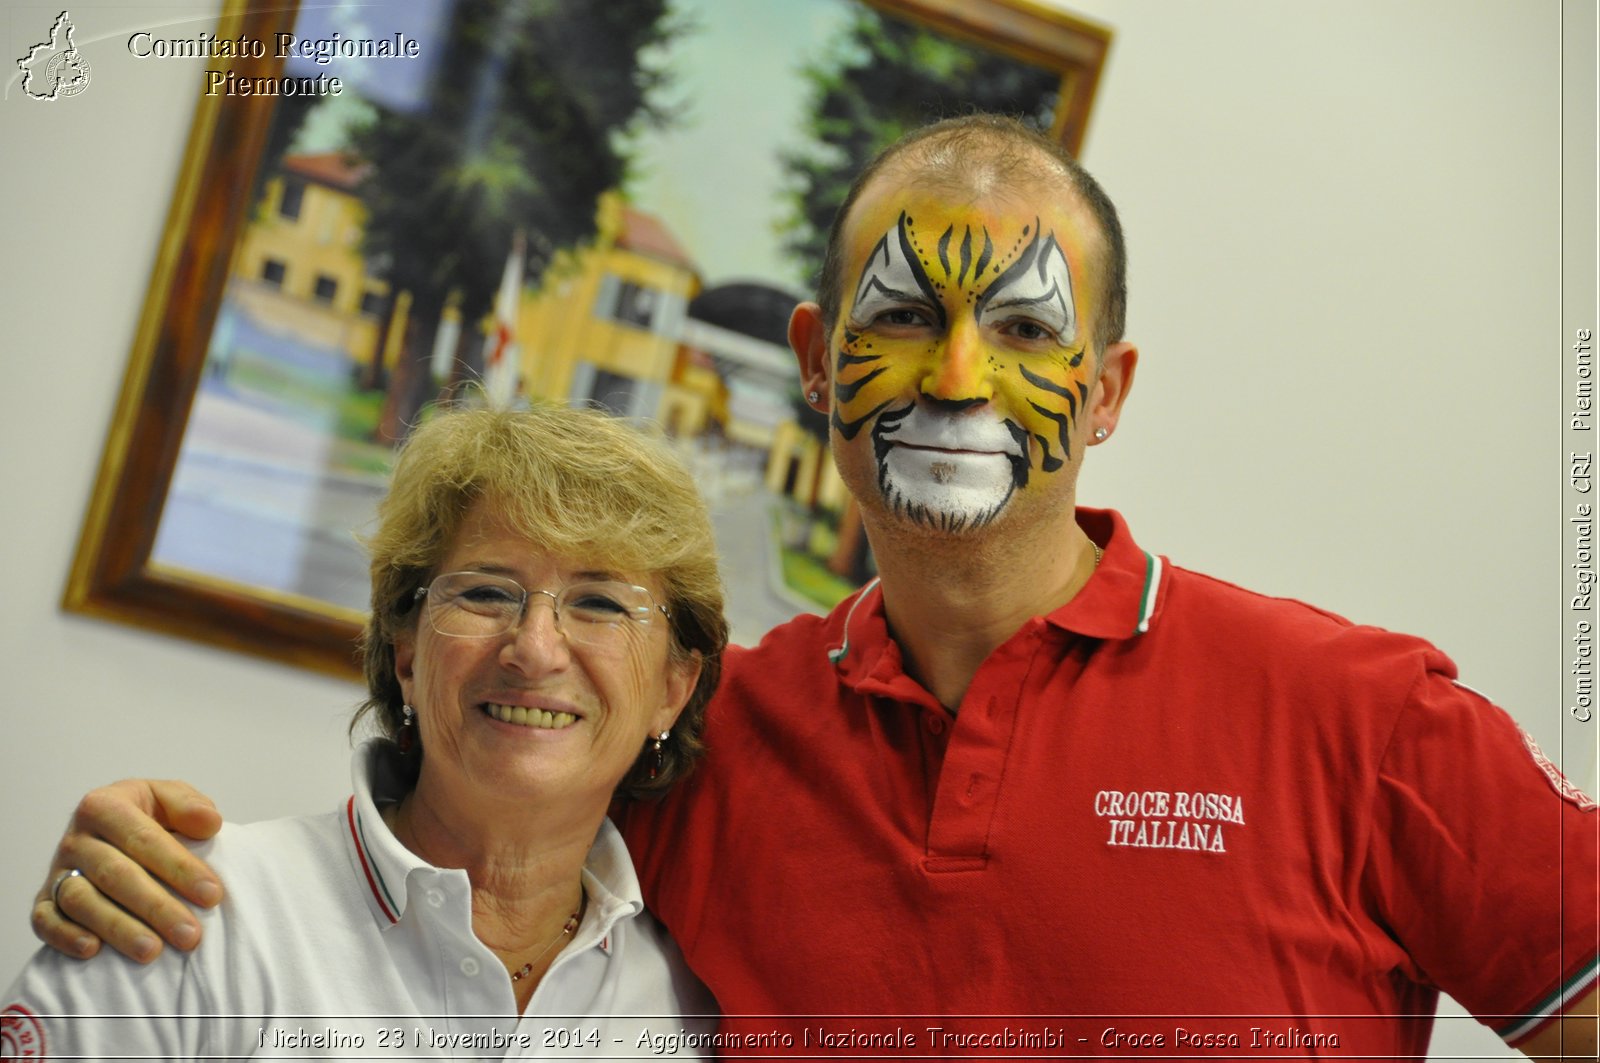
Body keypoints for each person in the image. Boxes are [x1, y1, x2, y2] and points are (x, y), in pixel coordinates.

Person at [26, 116, 1598, 1059]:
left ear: (1109, 390)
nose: (964, 378)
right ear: (813, 363)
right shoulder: (711, 737)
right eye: (905, 314)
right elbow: (463, 845)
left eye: (1032, 337)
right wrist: (148, 862)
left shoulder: (1360, 717)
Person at [6, 405, 723, 1058]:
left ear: (672, 688)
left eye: (598, 602)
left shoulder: (692, 1009)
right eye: (484, 591)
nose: (534, 647)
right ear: (405, 651)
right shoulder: (187, 908)